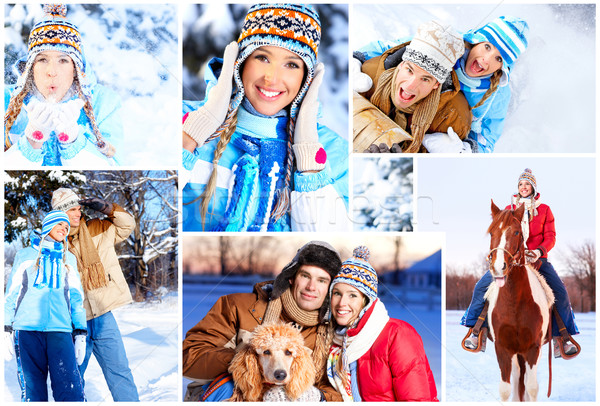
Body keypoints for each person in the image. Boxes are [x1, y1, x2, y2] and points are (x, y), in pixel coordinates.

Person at [181, 4, 349, 232]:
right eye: (262, 57)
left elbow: (326, 239)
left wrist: (309, 159)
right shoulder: (180, 120)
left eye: (291, 64)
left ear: (307, 77)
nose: (272, 78)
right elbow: (157, 204)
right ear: (241, 61)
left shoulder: (335, 154)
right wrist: (196, 129)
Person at [182, 241, 343, 401]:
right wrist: (247, 363)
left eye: (322, 280)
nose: (311, 287)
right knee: (228, 385)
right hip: (226, 395)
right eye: (305, 276)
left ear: (330, 288)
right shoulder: (236, 306)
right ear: (291, 278)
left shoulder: (330, 334)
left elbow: (341, 390)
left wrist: (319, 397)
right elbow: (189, 356)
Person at [355, 16, 529, 153]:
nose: (486, 59)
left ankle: (523, 74)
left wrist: (463, 150)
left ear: (502, 67)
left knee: (513, 100)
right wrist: (356, 60)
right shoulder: (446, 44)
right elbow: (393, 48)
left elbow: (488, 138)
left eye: (498, 58)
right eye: (487, 47)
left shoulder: (497, 93)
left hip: (460, 119)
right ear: (476, 40)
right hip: (431, 101)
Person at [461, 168, 579, 357]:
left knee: (561, 292)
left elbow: (551, 236)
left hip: (538, 261)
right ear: (517, 188)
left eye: (527, 184)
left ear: (533, 187)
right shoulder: (508, 211)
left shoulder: (545, 209)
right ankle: (477, 332)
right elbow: (499, 236)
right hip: (511, 261)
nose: (524, 187)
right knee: (481, 288)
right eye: (521, 184)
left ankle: (562, 338)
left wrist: (538, 251)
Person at [4, 4, 123, 166]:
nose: (52, 71)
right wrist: (31, 142)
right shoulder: (5, 100)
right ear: (31, 66)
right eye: (42, 59)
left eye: (63, 60)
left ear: (76, 68)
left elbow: (114, 166)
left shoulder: (104, 102)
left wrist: (73, 140)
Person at [51, 188, 139, 401]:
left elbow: (128, 225)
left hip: (103, 315)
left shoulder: (98, 228)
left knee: (119, 371)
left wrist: (109, 209)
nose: (78, 212)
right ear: (60, 213)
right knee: (73, 377)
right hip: (74, 321)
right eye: (72, 209)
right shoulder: (55, 241)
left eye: (78, 208)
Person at [326, 246, 438, 401]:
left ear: (366, 300)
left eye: (352, 295)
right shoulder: (332, 338)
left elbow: (416, 399)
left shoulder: (397, 335)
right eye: (337, 293)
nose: (342, 303)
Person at [4, 210, 87, 401]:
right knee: (33, 394)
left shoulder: (69, 258)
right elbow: (12, 294)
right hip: (27, 331)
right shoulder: (25, 255)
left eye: (67, 227)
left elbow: (76, 297)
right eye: (60, 225)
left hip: (60, 330)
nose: (64, 229)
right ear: (48, 226)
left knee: (71, 391)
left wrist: (81, 332)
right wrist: (6, 328)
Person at [352, 20, 471, 153]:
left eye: (425, 79)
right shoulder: (368, 75)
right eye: (410, 70)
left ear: (436, 84)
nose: (410, 86)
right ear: (401, 64)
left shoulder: (452, 117)